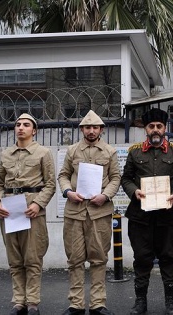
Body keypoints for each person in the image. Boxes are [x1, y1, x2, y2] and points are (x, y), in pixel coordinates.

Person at [121, 108, 173, 315]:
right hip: (141, 217)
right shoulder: (135, 152)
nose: (156, 130)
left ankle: (171, 301)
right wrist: (135, 191)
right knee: (142, 258)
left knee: (168, 257)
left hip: (168, 217)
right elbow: (126, 179)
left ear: (165, 128)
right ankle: (140, 301)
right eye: (151, 126)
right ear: (146, 129)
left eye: (159, 126)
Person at [58, 110, 121, 315]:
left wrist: (106, 196)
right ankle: (76, 304)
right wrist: (68, 191)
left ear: (101, 130)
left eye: (95, 127)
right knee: (75, 259)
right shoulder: (72, 151)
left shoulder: (109, 152)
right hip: (75, 212)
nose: (91, 131)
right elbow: (63, 175)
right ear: (82, 129)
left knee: (98, 258)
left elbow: (115, 178)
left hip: (99, 212)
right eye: (87, 127)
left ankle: (98, 304)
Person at [0, 113, 56, 315]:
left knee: (32, 258)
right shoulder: (5, 154)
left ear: (34, 130)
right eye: (18, 124)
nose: (21, 127)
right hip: (10, 208)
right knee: (15, 259)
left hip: (31, 209)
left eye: (26, 125)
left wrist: (38, 204)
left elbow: (50, 184)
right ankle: (18, 301)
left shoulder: (43, 153)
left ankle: (33, 302)